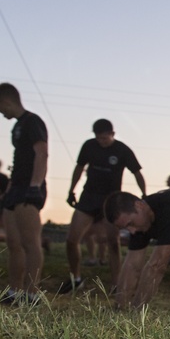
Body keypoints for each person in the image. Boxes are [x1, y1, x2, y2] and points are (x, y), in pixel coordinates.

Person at [60, 119, 147, 293]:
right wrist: (71, 191)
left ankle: (117, 284)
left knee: (113, 242)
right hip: (89, 196)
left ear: (112, 134)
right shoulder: (89, 146)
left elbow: (137, 173)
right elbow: (79, 168)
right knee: (71, 240)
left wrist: (144, 195)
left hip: (111, 200)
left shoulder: (122, 150)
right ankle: (75, 278)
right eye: (99, 138)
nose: (102, 141)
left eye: (105, 138)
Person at [0, 82, 47, 305]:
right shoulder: (17, 126)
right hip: (15, 190)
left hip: (29, 189)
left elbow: (42, 153)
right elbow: (19, 160)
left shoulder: (33, 121)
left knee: (30, 242)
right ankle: (14, 292)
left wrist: (35, 186)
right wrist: (10, 188)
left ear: (7, 101)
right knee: (13, 242)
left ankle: (32, 294)